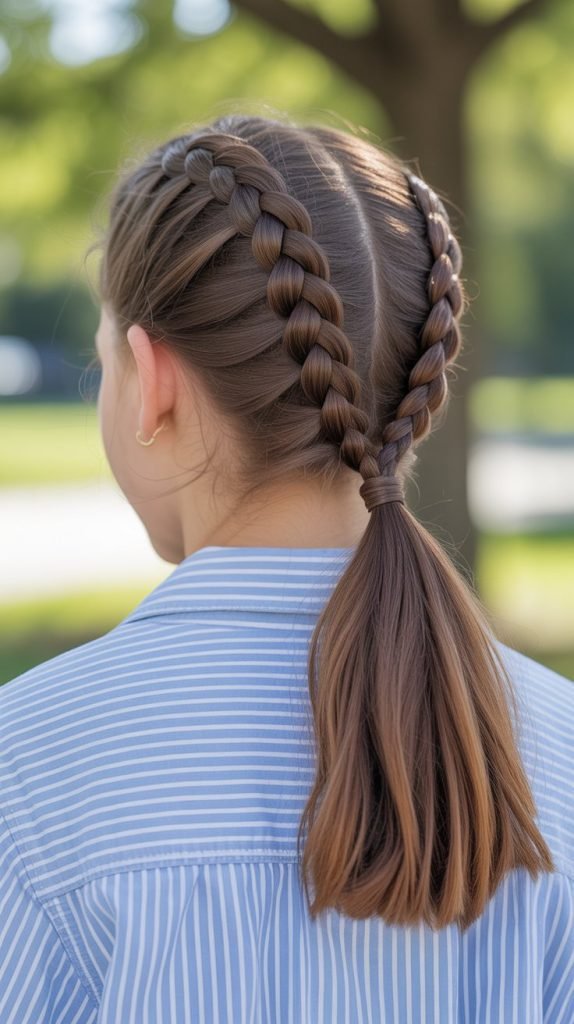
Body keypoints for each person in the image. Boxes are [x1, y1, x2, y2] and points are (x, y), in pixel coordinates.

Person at [0, 112, 572, 1024]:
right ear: (414, 388)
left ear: (152, 381)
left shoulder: (27, 770)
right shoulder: (561, 751)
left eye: (101, 359)